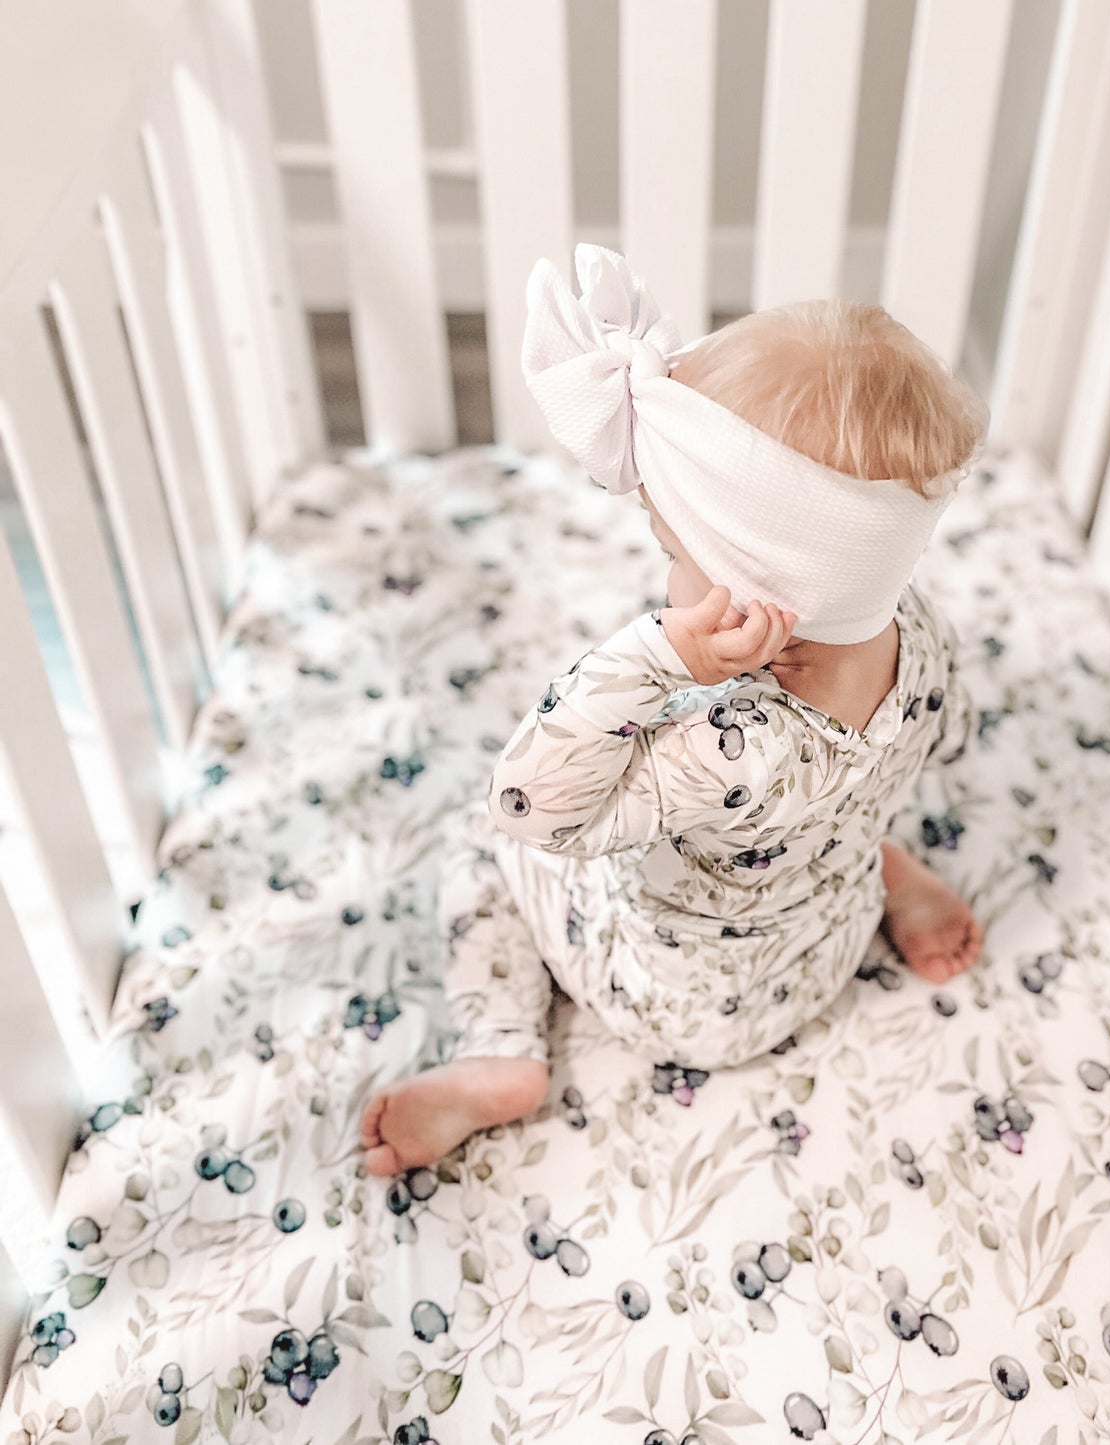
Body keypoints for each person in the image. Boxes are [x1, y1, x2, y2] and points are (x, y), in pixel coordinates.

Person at [360, 244, 989, 1175]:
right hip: (823, 947)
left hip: (677, 1006)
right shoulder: (919, 633)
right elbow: (951, 733)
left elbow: (530, 806)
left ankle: (498, 1052)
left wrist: (655, 654)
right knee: (838, 807)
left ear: (754, 587)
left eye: (669, 543)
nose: (661, 571)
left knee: (475, 843)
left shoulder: (727, 749)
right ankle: (884, 866)